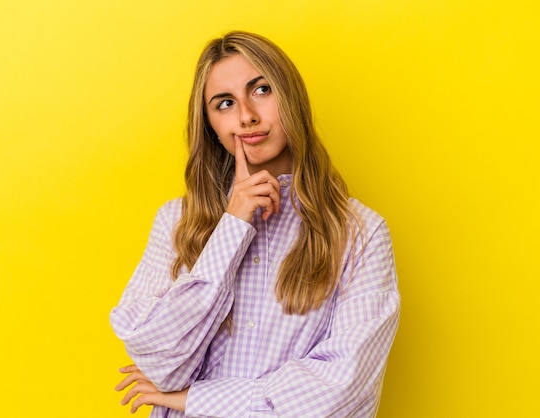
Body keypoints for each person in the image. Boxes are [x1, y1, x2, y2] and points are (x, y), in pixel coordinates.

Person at [110, 31, 400, 417]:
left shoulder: (361, 233)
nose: (246, 115)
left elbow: (339, 391)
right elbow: (158, 357)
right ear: (210, 124)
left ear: (291, 98)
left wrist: (193, 399)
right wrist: (232, 227)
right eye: (224, 103)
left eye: (261, 90)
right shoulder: (177, 222)